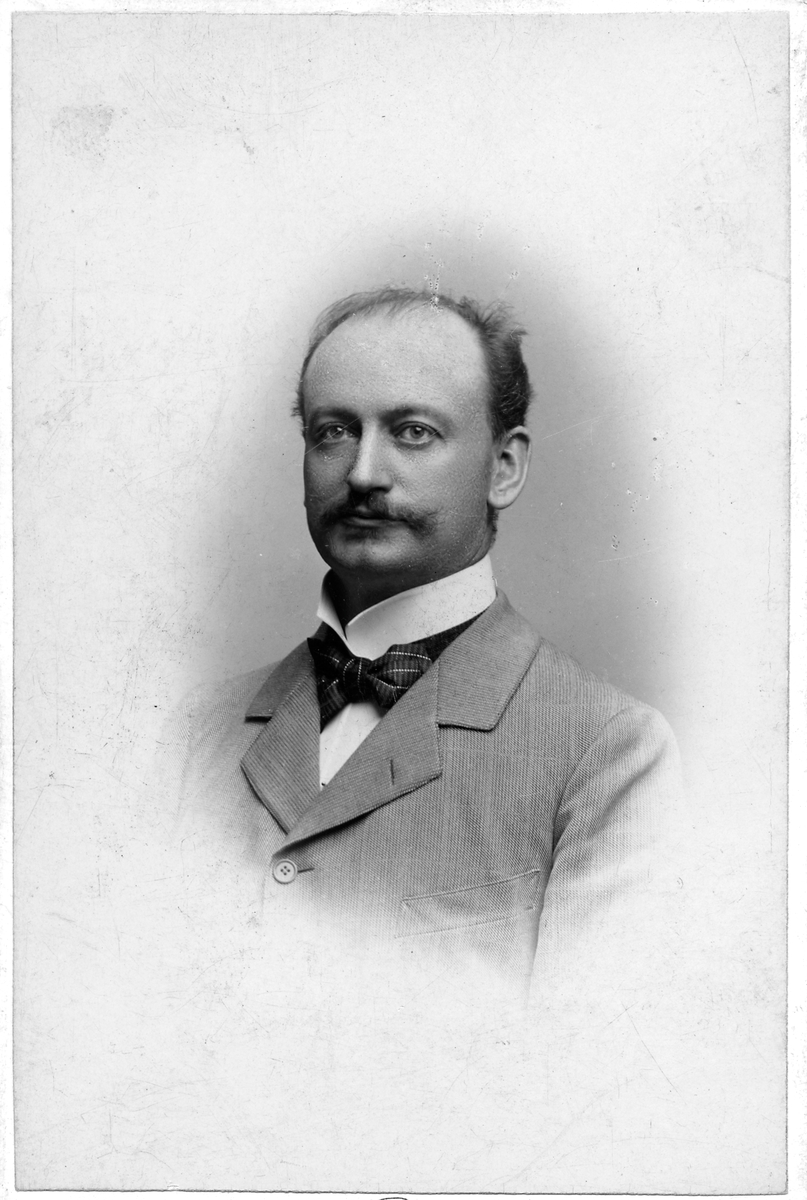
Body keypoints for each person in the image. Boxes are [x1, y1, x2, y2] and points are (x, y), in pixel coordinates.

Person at [167, 285, 681, 1001]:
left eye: (412, 432)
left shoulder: (608, 753)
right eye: (333, 432)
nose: (363, 474)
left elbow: (590, 1053)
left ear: (503, 468)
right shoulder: (190, 735)